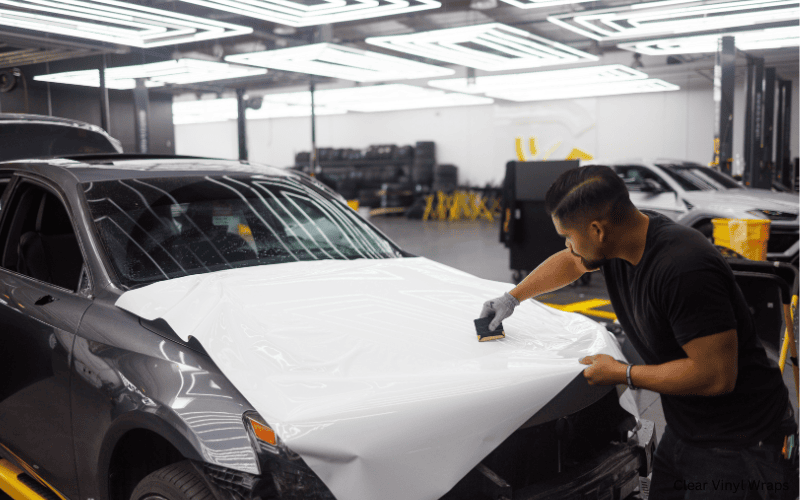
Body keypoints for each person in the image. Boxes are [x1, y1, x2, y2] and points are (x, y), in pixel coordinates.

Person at [479, 165, 798, 499]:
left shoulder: (682, 269)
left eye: (569, 237)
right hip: (688, 427)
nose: (568, 246)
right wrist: (511, 299)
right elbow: (572, 262)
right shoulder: (624, 237)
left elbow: (716, 376)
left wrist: (623, 373)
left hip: (743, 442)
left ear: (597, 231)